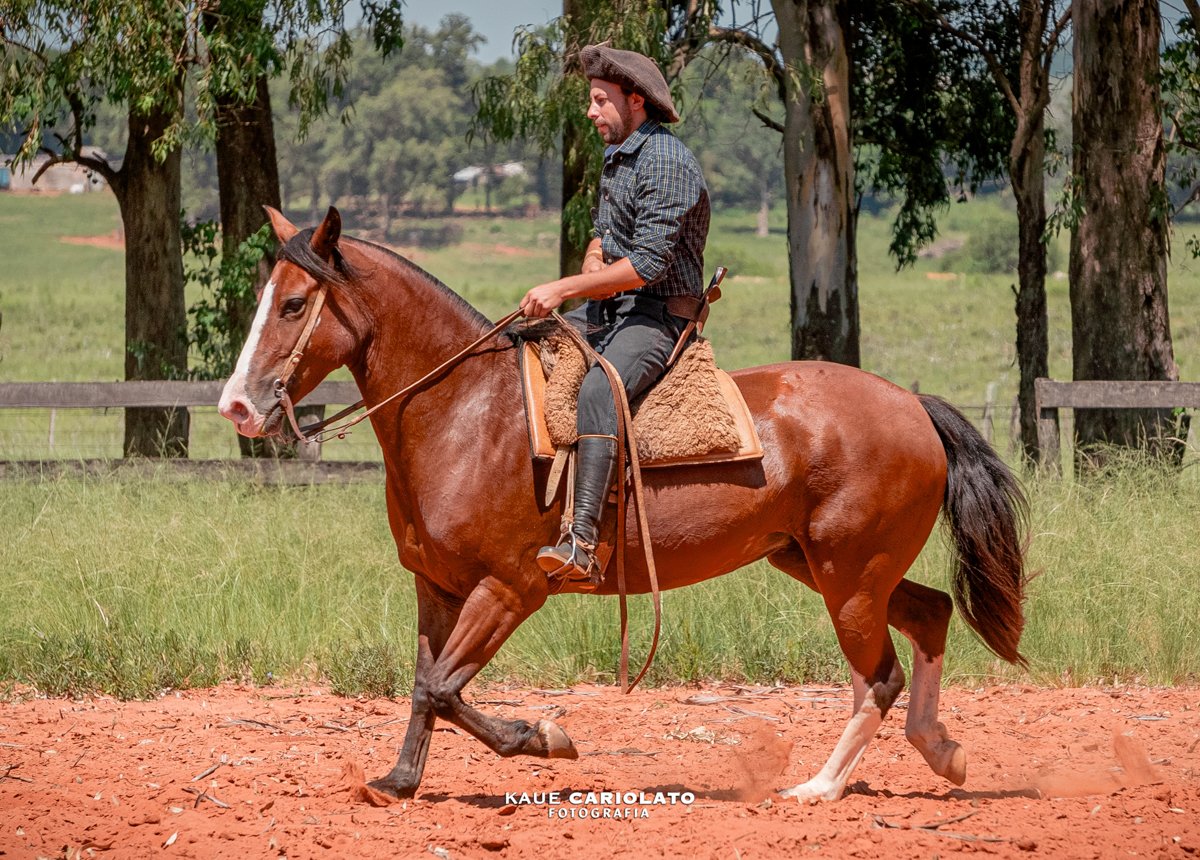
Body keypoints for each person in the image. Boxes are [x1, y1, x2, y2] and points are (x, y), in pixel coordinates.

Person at [520, 42, 711, 587]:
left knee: (599, 391)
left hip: (659, 316)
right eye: (591, 99)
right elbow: (606, 236)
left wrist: (564, 287)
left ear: (636, 101)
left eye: (601, 100)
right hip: (611, 309)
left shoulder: (669, 162)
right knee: (518, 340)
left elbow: (647, 264)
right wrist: (587, 272)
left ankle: (583, 542)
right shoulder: (618, 155)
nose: (591, 111)